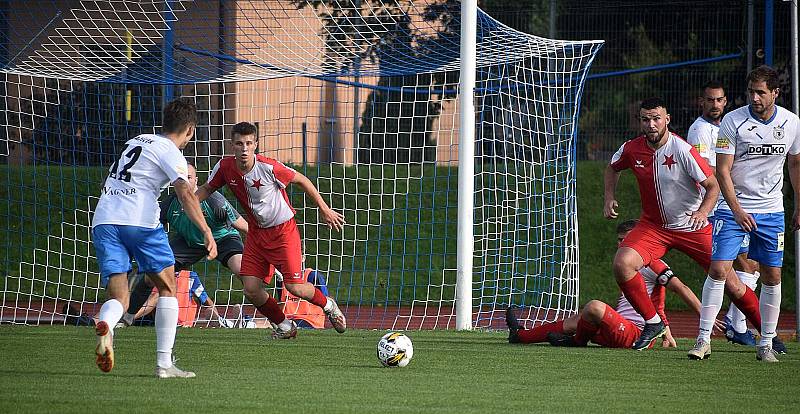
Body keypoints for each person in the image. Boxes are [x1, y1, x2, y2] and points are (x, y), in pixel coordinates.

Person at [90, 98, 217, 378]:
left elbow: (107, 180)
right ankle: (164, 364)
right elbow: (185, 193)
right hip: (140, 222)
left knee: (120, 297)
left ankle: (107, 325)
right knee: (168, 285)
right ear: (190, 131)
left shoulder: (136, 141)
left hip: (104, 220)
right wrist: (206, 231)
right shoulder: (172, 152)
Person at [196, 121, 347, 339]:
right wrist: (187, 204)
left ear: (256, 144)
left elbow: (302, 180)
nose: (244, 148)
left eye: (249, 143)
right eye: (240, 143)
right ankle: (284, 326)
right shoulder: (224, 167)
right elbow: (208, 188)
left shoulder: (268, 167)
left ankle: (328, 305)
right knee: (250, 288)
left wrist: (324, 210)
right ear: (232, 145)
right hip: (257, 235)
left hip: (283, 232)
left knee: (294, 286)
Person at [689, 65, 800, 362]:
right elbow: (722, 170)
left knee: (772, 275)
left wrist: (799, 205)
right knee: (718, 269)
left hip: (772, 211)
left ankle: (765, 343)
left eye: (761, 92)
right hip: (732, 208)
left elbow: (795, 165)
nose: (755, 97)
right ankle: (703, 340)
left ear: (775, 93)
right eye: (751, 91)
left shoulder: (791, 122)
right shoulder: (732, 121)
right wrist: (736, 211)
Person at [505, 220, 722, 349]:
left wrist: (705, 318)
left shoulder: (652, 262)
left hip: (637, 334)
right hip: (621, 329)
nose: (621, 244)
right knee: (577, 320)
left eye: (624, 239)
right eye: (618, 240)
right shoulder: (628, 262)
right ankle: (520, 336)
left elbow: (680, 288)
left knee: (594, 308)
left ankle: (577, 342)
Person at [120, 163, 247, 327]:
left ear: (196, 180)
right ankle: (127, 317)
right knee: (152, 274)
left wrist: (262, 248)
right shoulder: (169, 204)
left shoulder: (214, 200)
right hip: (188, 242)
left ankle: (255, 317)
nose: (185, 182)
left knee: (241, 269)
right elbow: (148, 228)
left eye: (189, 177)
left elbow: (244, 226)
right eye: (181, 178)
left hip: (222, 238)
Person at [687, 80, 760, 346]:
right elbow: (707, 171)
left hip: (734, 203)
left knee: (750, 265)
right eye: (710, 100)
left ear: (726, 101)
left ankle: (735, 323)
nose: (715, 105)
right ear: (701, 102)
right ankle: (734, 325)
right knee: (739, 266)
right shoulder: (700, 131)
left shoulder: (725, 128)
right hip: (719, 209)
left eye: (719, 100)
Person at [126, 270, 236, 328]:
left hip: (181, 322)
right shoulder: (156, 275)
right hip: (155, 320)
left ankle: (126, 319)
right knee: (155, 296)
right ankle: (127, 318)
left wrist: (214, 315)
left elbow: (207, 302)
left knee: (157, 296)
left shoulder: (189, 277)